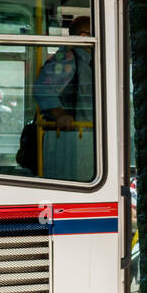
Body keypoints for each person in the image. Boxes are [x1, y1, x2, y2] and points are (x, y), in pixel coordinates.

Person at [31, 16, 96, 181]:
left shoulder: (93, 62)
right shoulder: (67, 58)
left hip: (85, 137)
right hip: (70, 138)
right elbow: (42, 89)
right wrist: (60, 114)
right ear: (84, 37)